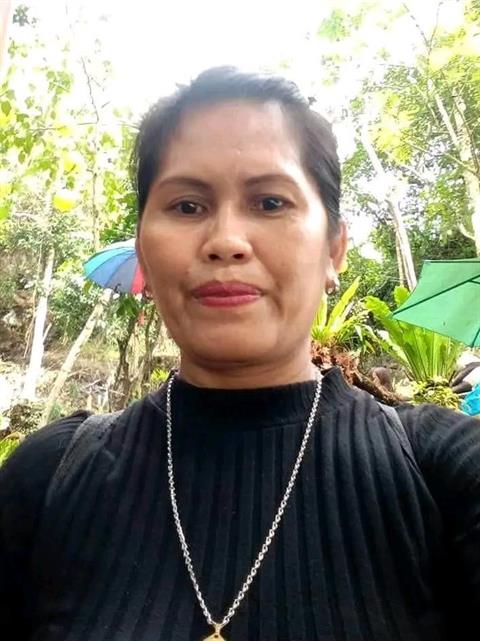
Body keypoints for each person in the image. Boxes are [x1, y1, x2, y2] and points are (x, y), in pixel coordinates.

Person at [1, 67, 479, 641]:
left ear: (335, 249)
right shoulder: (49, 476)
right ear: (144, 254)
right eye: (186, 206)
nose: (225, 241)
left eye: (270, 201)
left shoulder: (443, 470)